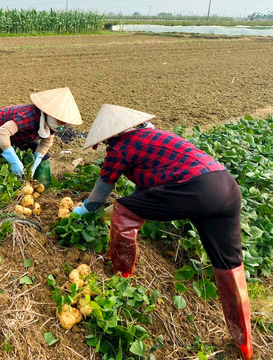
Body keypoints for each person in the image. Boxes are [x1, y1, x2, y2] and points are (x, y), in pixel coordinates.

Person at [73, 104, 253, 360]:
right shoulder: (157, 137)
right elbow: (148, 194)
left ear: (110, 136)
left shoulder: (119, 147)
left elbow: (105, 185)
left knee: (123, 209)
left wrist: (88, 209)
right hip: (225, 185)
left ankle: (121, 276)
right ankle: (245, 345)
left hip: (196, 190)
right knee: (229, 265)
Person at [0, 87, 82, 186]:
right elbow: (2, 133)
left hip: (21, 135)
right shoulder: (29, 116)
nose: (62, 126)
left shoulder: (52, 125)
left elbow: (46, 143)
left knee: (44, 157)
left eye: (64, 122)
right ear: (50, 114)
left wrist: (36, 161)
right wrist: (13, 159)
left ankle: (41, 185)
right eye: (60, 121)